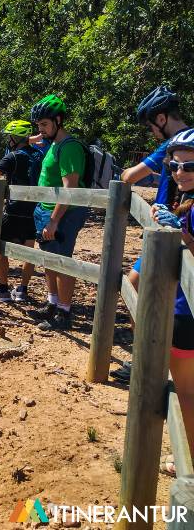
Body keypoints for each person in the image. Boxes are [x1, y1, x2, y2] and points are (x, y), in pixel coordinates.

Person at [112, 86, 191, 383]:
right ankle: (152, 356)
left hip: (172, 233)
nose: (151, 133)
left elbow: (130, 176)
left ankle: (150, 359)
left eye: (150, 126)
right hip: (170, 231)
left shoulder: (174, 143)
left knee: (138, 288)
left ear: (161, 118)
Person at [142, 128, 194, 456]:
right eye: (175, 166)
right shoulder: (185, 200)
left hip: (186, 311)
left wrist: (181, 234)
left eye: (190, 167)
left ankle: (188, 458)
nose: (180, 173)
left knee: (186, 391)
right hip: (182, 305)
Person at [30, 94, 89, 331]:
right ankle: (52, 301)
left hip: (64, 213)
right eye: (38, 125)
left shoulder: (70, 146)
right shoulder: (52, 143)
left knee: (63, 260)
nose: (40, 130)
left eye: (44, 124)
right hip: (45, 210)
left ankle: (65, 311)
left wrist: (54, 221)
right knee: (48, 257)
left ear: (58, 120)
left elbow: (69, 188)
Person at [0, 120, 43, 302]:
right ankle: (23, 289)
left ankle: (2, 288)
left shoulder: (13, 157)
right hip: (34, 210)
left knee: (1, 250)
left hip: (14, 211)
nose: (8, 140)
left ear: (15, 138)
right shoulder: (40, 155)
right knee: (29, 252)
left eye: (10, 136)